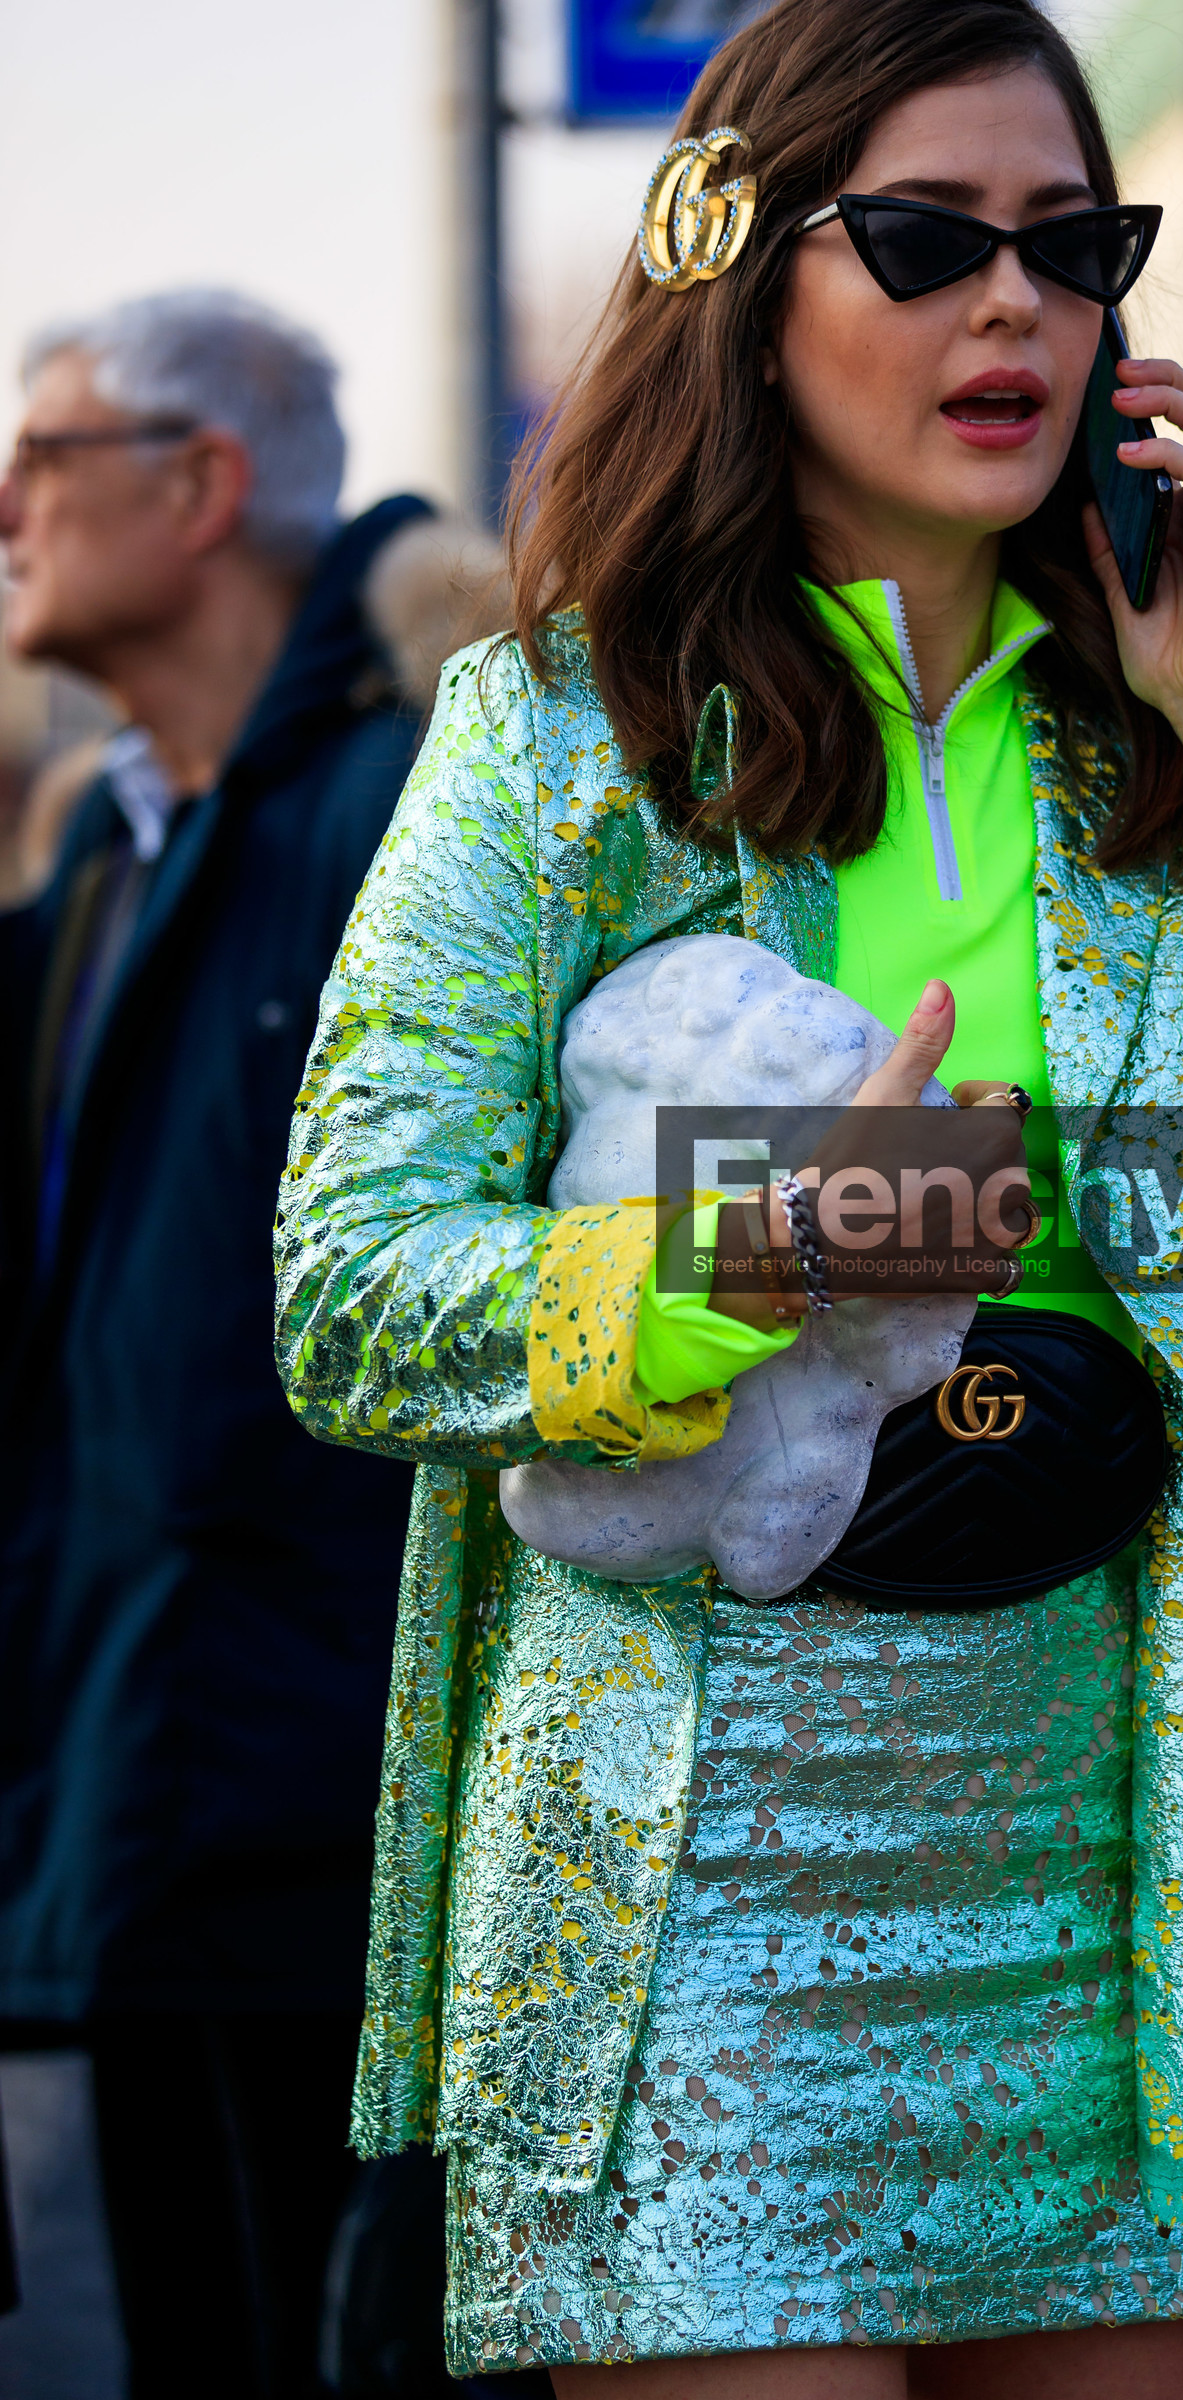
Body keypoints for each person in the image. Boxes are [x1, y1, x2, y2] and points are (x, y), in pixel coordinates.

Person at [276, 7, 1183, 2393]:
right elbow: (347, 1293)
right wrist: (771, 1249)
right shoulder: (560, 732)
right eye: (928, 240)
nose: (1014, 308)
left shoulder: (1149, 752)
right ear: (735, 265)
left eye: (1073, 246)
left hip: (1123, 1805)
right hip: (690, 1840)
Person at [0, 290, 503, 2399]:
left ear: (201, 486)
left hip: (336, 1802)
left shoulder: (400, 804)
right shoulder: (120, 846)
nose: (8, 505)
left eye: (45, 455)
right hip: (147, 1771)